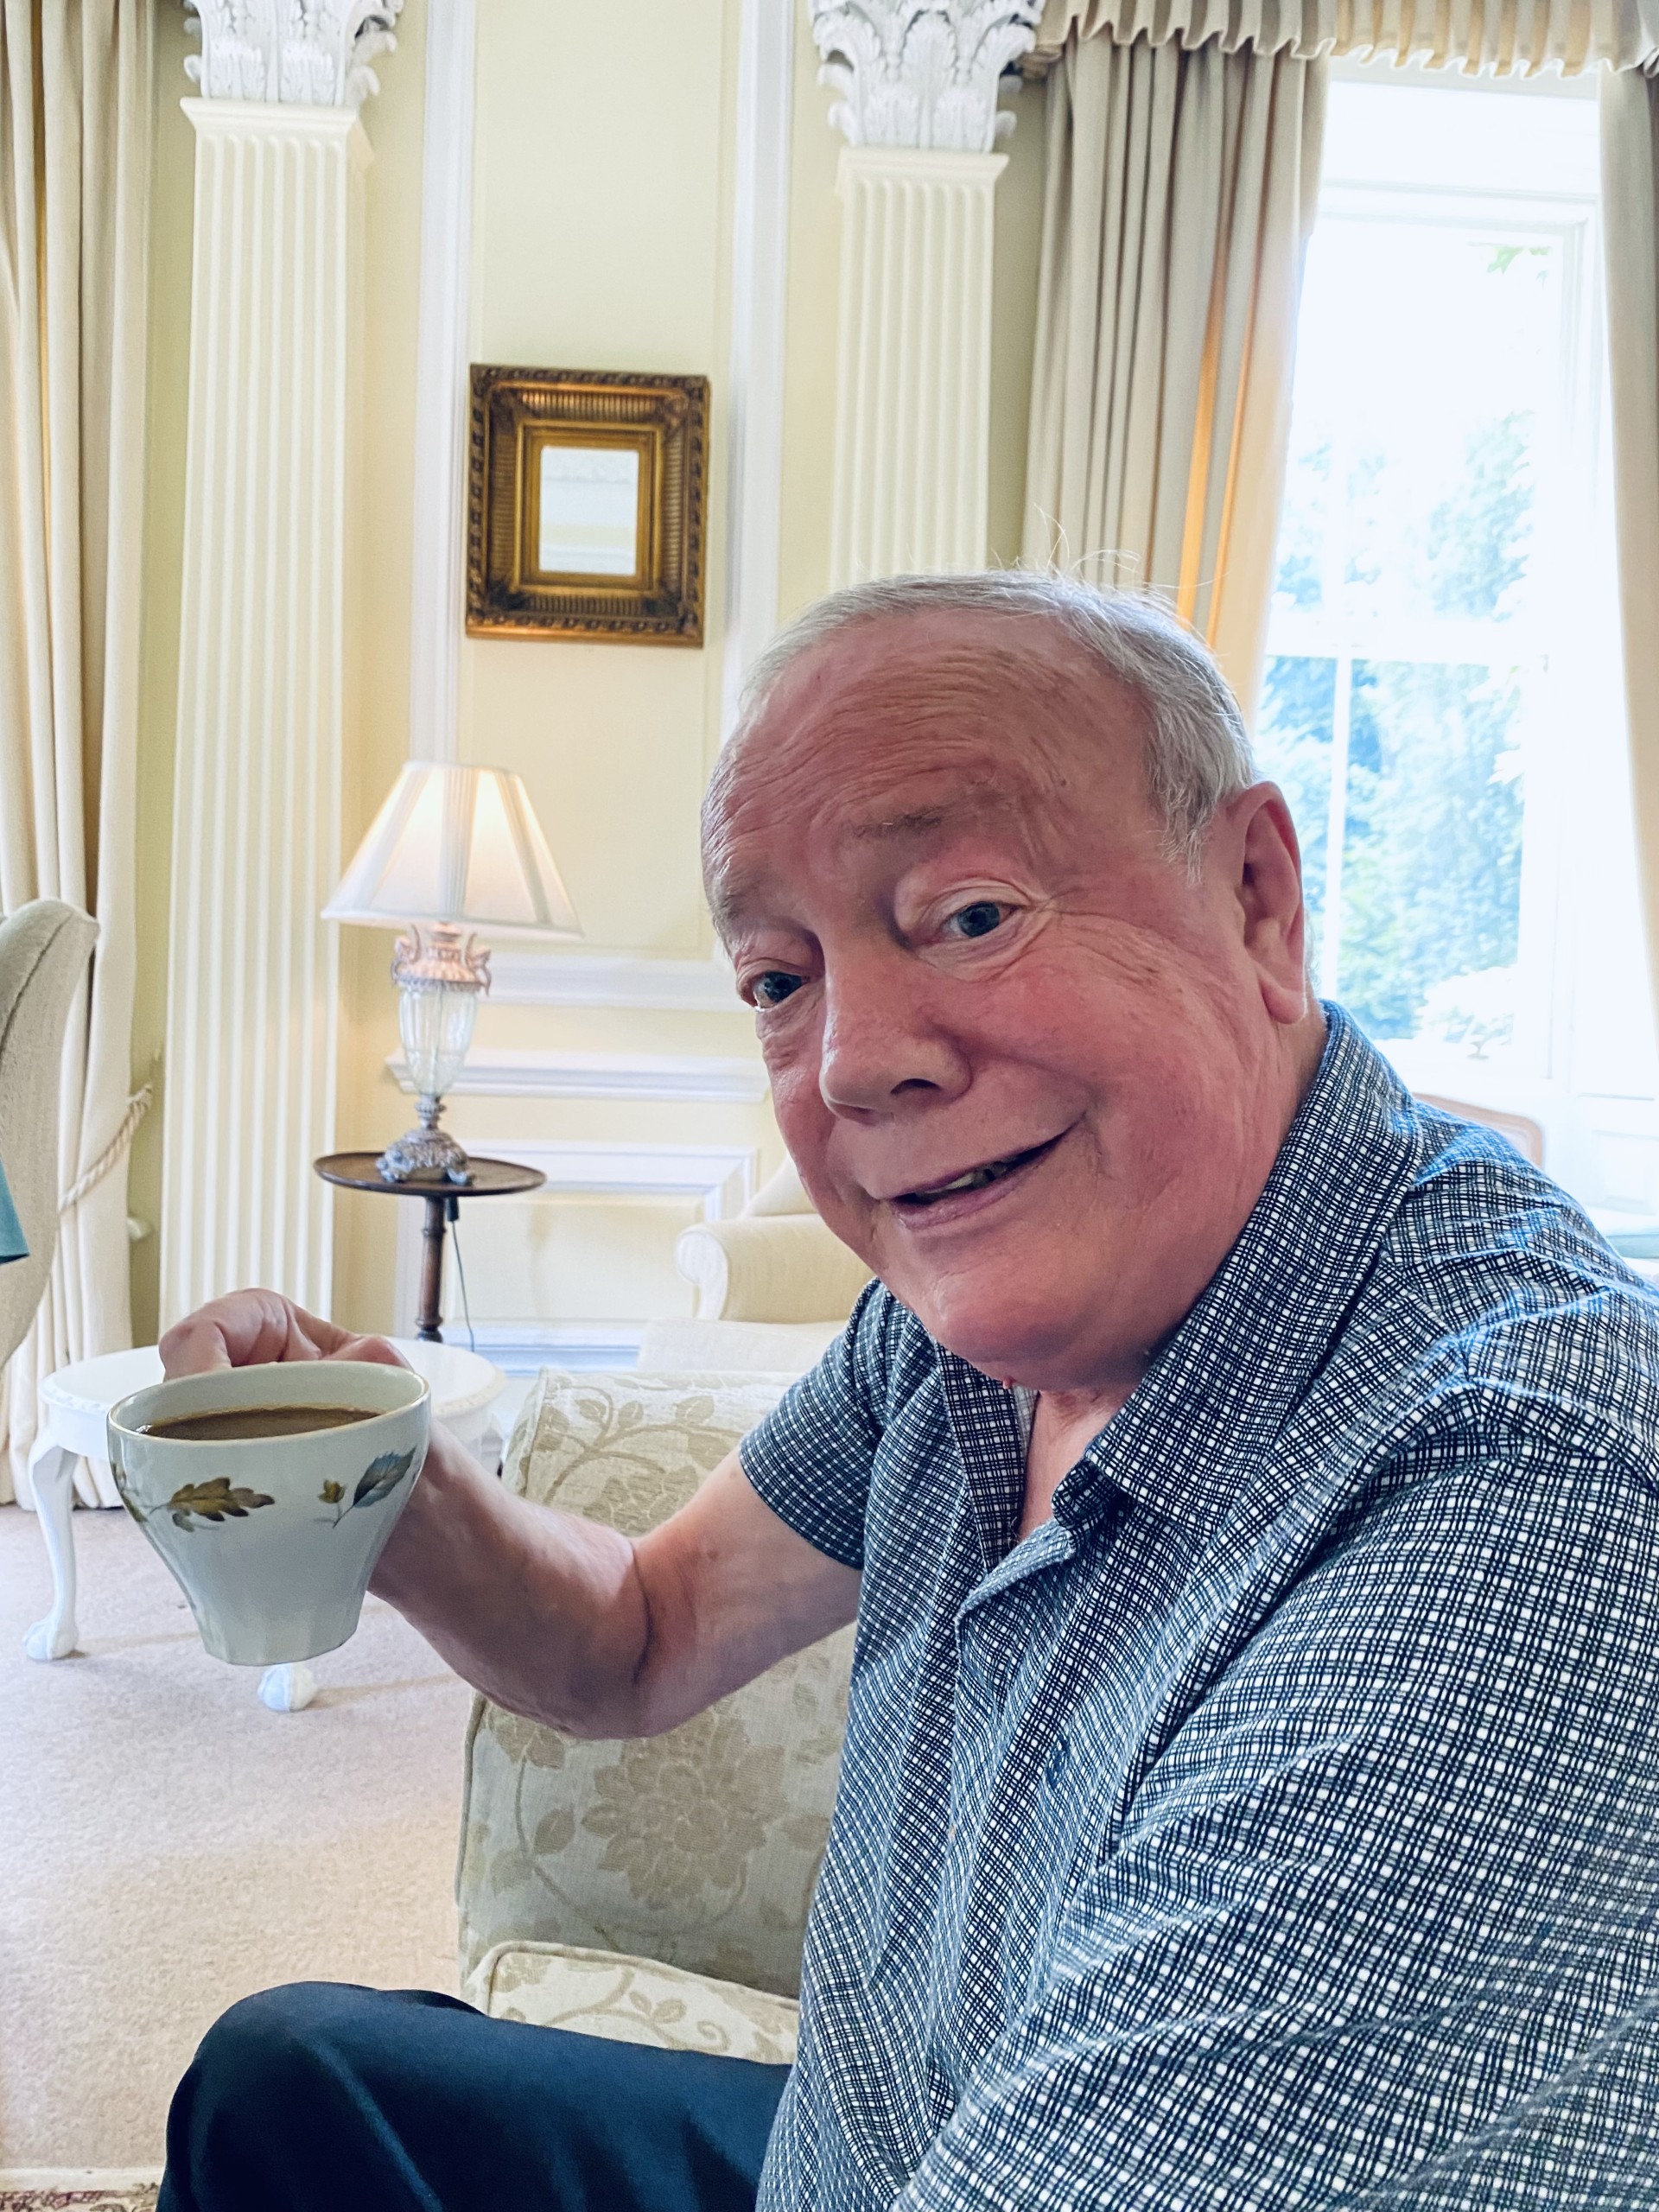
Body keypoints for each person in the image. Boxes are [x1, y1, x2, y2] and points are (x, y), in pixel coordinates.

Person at [156, 573, 1659, 2211]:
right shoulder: (955, 1334)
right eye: (779, 979)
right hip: (881, 2133)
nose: (856, 1059)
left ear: (1257, 900)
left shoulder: (1518, 1494)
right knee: (287, 2083)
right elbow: (639, 1637)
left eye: (968, 912)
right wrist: (400, 1485)